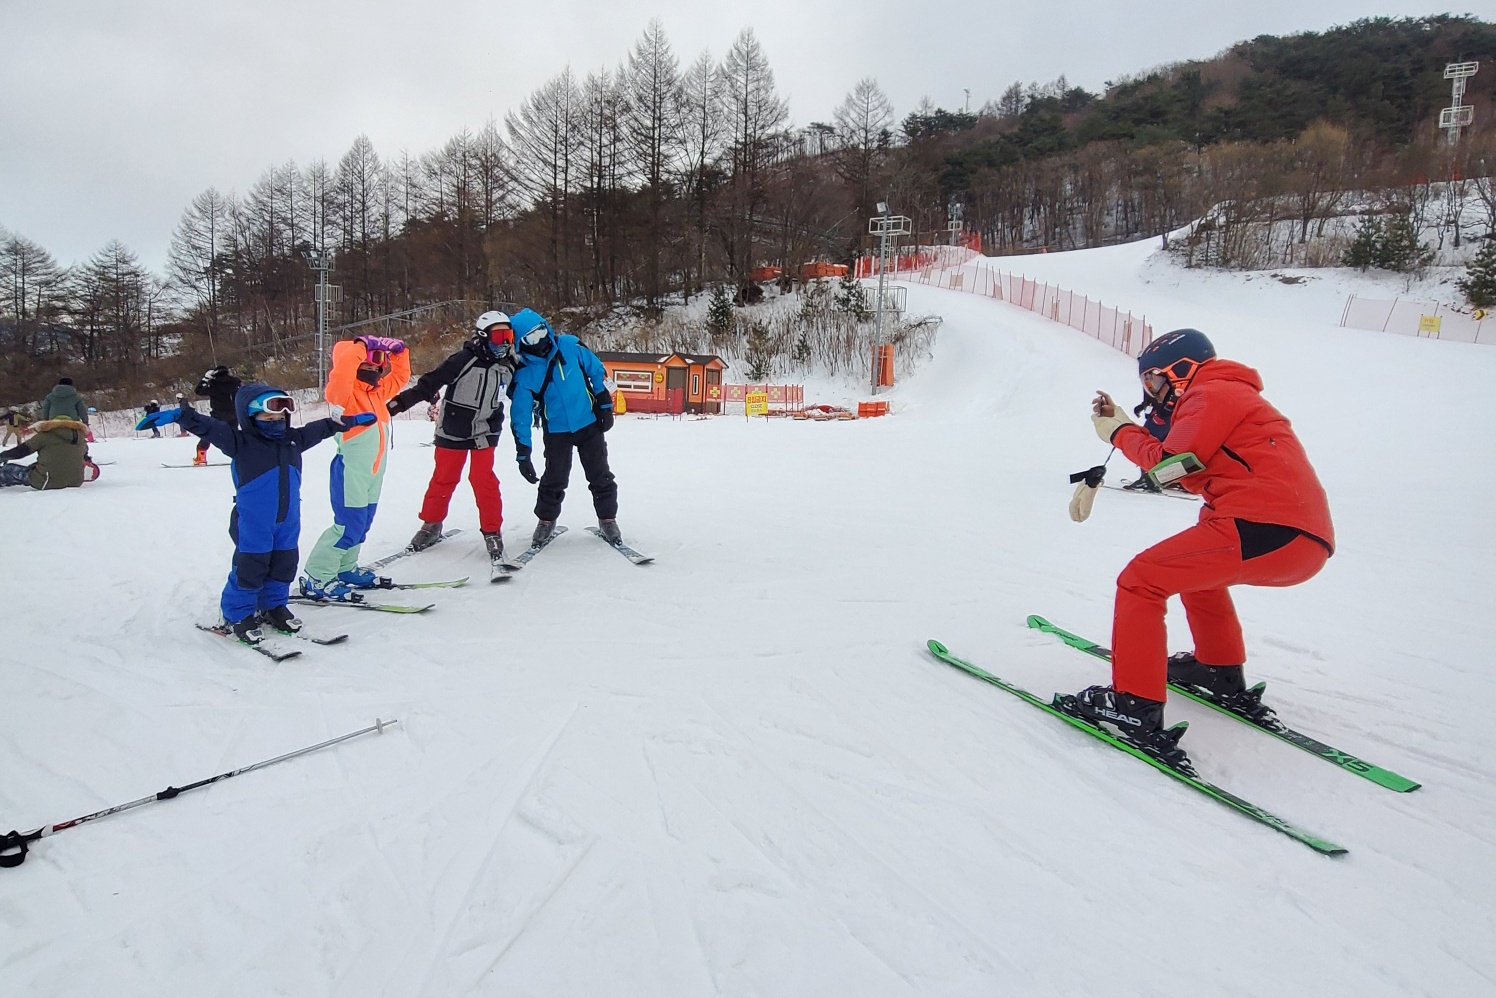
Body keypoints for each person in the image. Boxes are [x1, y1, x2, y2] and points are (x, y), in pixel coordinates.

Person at [1060, 328, 1335, 764]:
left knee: (1140, 580)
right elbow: (1183, 453)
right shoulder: (1226, 395)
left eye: (1153, 380)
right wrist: (1128, 425)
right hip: (1299, 538)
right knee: (1193, 572)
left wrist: (1120, 434)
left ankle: (1134, 703)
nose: (1151, 392)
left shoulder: (1212, 393)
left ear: (1182, 370)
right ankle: (1217, 669)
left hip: (1264, 524)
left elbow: (1170, 468)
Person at [137, 386, 373, 641]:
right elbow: (209, 427)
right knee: (250, 569)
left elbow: (320, 429)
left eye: (281, 419)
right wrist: (182, 416)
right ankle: (237, 614)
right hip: (253, 523)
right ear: (250, 418)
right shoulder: (240, 442)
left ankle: (273, 607)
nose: (277, 424)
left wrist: (345, 422)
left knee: (284, 565)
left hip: (287, 521)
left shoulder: (293, 439)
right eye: (268, 419)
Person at [387, 311, 517, 565]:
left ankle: (492, 532)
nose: (504, 343)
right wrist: (397, 404)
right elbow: (430, 383)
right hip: (453, 428)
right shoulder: (464, 359)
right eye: (499, 336)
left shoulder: (510, 364)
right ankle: (431, 524)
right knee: (444, 479)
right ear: (483, 336)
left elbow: (526, 388)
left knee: (483, 480)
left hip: (485, 429)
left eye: (509, 336)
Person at [300, 335, 411, 599]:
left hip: (373, 473)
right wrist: (361, 346)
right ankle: (317, 575)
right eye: (367, 365)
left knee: (362, 523)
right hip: (351, 471)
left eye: (377, 366)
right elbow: (343, 371)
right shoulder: (343, 394)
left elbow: (402, 376)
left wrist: (400, 351)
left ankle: (345, 567)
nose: (374, 370)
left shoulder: (378, 393)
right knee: (348, 525)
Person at [506, 308, 620, 547]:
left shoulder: (570, 346)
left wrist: (605, 405)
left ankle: (607, 518)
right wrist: (523, 452)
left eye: (541, 332)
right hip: (557, 431)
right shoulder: (525, 373)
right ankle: (546, 520)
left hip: (588, 423)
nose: (541, 341)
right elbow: (520, 415)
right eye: (531, 338)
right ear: (521, 343)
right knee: (555, 477)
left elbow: (597, 371)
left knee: (600, 473)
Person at [0, 416, 88, 490]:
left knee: (8, 469)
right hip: (76, 482)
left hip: (45, 481)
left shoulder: (45, 436)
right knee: (34, 466)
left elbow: (21, 451)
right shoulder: (81, 439)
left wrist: (2, 456)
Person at [194, 366, 242, 464]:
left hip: (218, 414)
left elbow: (198, 391)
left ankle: (201, 457)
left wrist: (205, 379)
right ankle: (240, 456)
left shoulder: (213, 384)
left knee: (209, 434)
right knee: (235, 436)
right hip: (233, 413)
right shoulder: (235, 383)